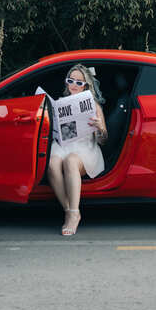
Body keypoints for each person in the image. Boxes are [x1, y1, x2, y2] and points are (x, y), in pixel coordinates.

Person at [47, 63, 107, 237]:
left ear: (86, 86)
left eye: (79, 82)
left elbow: (104, 140)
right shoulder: (59, 104)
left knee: (70, 160)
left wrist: (100, 128)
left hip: (85, 149)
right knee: (52, 162)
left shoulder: (94, 106)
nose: (74, 84)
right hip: (62, 145)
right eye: (70, 80)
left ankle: (74, 213)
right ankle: (69, 210)